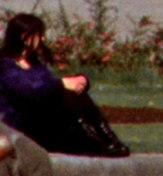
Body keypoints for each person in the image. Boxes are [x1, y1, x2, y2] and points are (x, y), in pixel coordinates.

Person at [0, 13, 129, 157]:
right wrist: (61, 84)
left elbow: (48, 84)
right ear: (24, 37)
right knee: (64, 92)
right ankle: (96, 140)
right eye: (38, 34)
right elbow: (29, 92)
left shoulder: (35, 65)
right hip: (21, 125)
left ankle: (107, 139)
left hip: (44, 122)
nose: (42, 39)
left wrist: (80, 82)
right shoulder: (6, 66)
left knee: (72, 94)